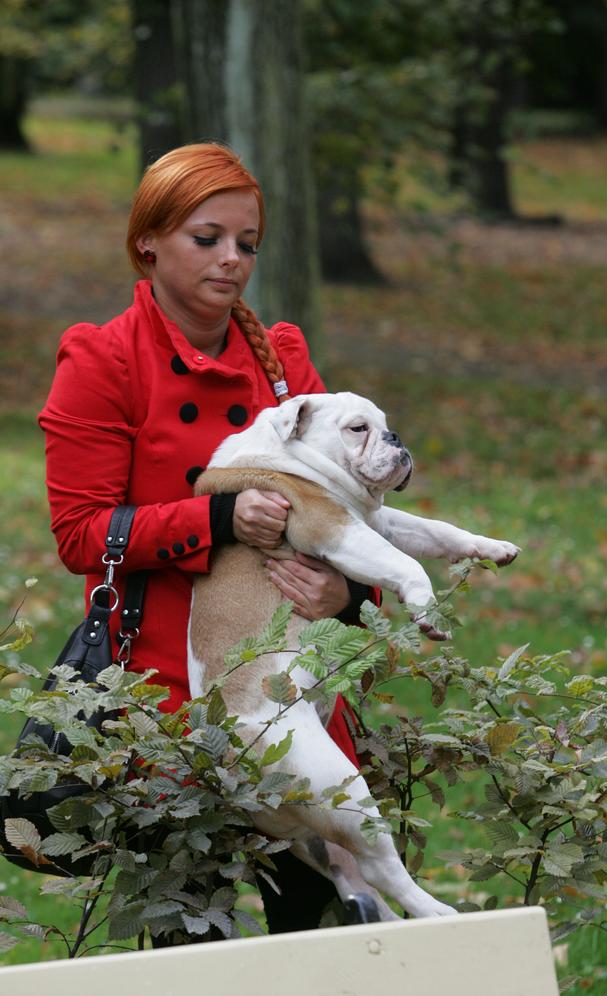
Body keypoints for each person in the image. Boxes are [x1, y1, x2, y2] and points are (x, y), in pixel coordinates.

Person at [38, 142, 371, 938]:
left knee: (330, 942)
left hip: (292, 692)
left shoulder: (283, 363)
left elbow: (346, 510)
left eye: (247, 244)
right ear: (148, 239)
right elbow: (83, 533)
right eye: (207, 237)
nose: (232, 260)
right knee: (195, 951)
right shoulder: (105, 357)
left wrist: (352, 593)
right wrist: (216, 518)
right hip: (168, 700)